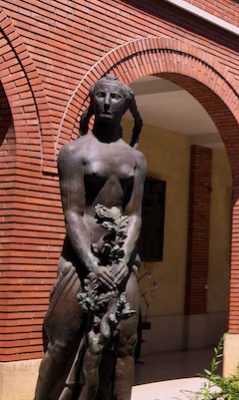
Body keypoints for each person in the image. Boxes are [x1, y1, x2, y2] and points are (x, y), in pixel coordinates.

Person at [35, 74, 146, 400]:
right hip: (79, 261)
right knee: (62, 341)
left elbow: (135, 213)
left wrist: (123, 262)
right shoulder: (73, 153)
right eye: (101, 96)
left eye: (115, 98)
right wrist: (93, 265)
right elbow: (73, 213)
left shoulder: (136, 159)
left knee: (125, 341)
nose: (108, 103)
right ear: (92, 101)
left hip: (121, 264)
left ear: (127, 105)